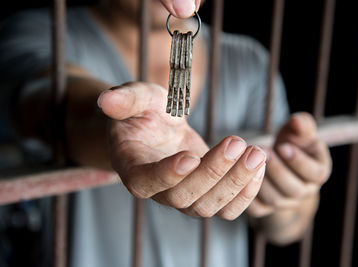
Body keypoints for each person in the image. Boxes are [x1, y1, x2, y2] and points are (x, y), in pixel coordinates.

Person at [0, 0, 332, 266]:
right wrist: (114, 123)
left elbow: (287, 228)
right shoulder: (44, 32)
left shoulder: (249, 62)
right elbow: (51, 104)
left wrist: (291, 195)